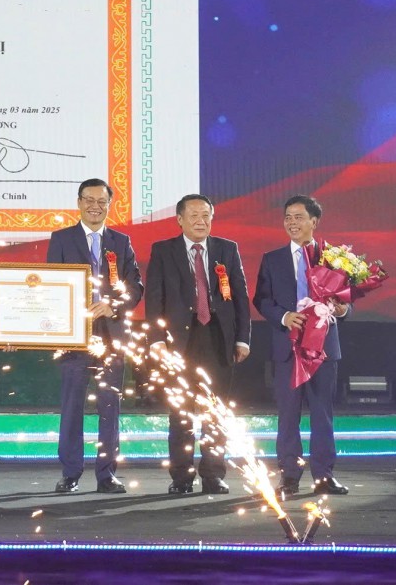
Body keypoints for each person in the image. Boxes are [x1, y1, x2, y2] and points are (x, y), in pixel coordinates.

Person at [144, 193, 251, 495]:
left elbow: (240, 297)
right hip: (178, 342)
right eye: (193, 215)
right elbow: (154, 298)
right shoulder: (163, 250)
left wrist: (242, 338)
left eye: (206, 215)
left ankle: (214, 475)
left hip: (218, 339)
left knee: (215, 412)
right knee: (181, 412)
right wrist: (156, 339)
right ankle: (181, 477)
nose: (201, 221)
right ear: (180, 219)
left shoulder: (227, 249)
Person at [47, 178, 141, 494]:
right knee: (72, 406)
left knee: (109, 407)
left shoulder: (121, 242)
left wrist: (113, 305)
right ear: (78, 202)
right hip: (73, 337)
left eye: (102, 201)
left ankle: (107, 474)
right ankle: (70, 473)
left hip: (112, 336)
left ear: (109, 205)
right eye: (89, 200)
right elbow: (51, 284)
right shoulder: (61, 239)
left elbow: (136, 287)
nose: (95, 206)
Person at [253, 194, 350, 500]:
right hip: (288, 348)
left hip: (322, 349)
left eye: (298, 217)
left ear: (314, 221)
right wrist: (284, 317)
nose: (292, 223)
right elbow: (262, 300)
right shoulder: (272, 259)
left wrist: (342, 309)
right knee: (288, 415)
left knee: (323, 414)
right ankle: (289, 477)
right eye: (288, 217)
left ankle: (324, 476)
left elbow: (346, 300)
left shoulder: (333, 259)